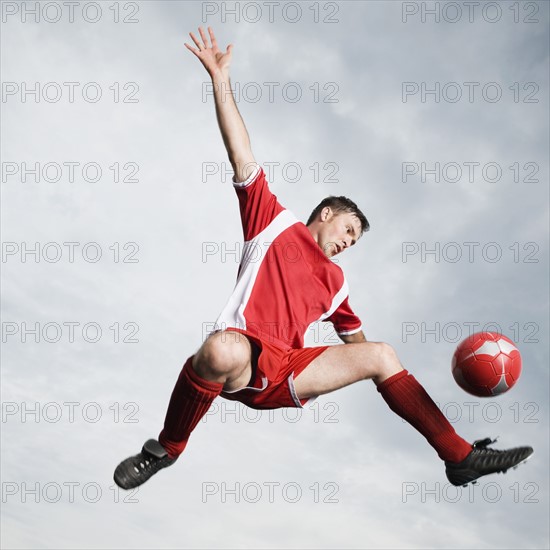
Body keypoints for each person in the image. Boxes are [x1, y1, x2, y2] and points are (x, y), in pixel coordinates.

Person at [113, 27, 533, 491]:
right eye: (348, 230)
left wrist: (391, 374)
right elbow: (241, 151)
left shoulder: (337, 282)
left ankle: (460, 457)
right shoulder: (272, 222)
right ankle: (166, 449)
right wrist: (220, 80)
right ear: (326, 213)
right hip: (245, 357)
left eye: (355, 241)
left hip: (291, 371)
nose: (349, 242)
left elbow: (360, 349)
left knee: (382, 353)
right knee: (218, 348)